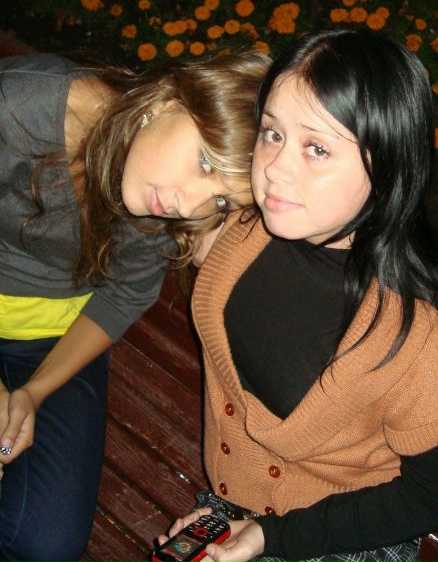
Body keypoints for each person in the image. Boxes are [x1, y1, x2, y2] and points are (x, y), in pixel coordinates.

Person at [159, 28, 438, 562]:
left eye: (317, 148)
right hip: (232, 507)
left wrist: (270, 536)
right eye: (272, 133)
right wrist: (228, 519)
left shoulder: (414, 342)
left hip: (345, 533)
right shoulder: (241, 231)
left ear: (387, 164)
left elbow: (427, 497)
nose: (275, 167)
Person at [0, 48, 270, 562]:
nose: (188, 205)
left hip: (51, 343)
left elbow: (124, 293)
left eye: (221, 200)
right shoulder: (23, 104)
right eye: (206, 162)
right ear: (166, 101)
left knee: (46, 544)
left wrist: (32, 394)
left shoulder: (164, 201)